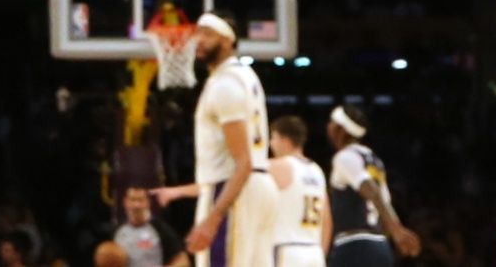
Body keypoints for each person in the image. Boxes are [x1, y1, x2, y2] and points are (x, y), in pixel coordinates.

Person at [146, 14, 270, 267]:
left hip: (232, 187)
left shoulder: (225, 85)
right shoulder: (246, 76)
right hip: (254, 185)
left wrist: (213, 218)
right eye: (198, 33)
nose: (198, 40)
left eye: (208, 34)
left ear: (227, 41)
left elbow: (242, 162)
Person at [323, 107, 415, 267]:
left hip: (354, 246)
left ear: (341, 129)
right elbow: (384, 199)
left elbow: (370, 190)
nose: (328, 126)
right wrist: (395, 229)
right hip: (380, 244)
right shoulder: (373, 159)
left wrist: (396, 229)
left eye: (332, 122)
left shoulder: (344, 157)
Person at [265, 118, 330, 267]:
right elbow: (327, 221)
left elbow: (243, 172)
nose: (271, 144)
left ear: (284, 139)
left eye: (273, 138)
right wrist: (321, 254)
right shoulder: (317, 170)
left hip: (287, 250)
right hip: (314, 251)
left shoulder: (278, 166)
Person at [110, 187, 181, 267]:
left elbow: (183, 261)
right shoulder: (117, 231)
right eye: (133, 200)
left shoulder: (160, 228)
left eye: (140, 200)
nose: (136, 205)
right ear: (125, 202)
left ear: (147, 203)